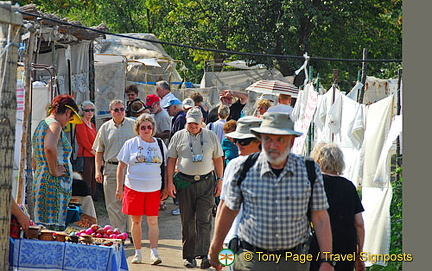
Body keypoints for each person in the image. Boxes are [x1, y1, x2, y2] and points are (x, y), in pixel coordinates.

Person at [209, 112, 334, 271]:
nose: (273, 145)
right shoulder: (244, 168)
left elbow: (320, 216)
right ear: (261, 139)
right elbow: (229, 209)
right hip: (251, 259)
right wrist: (216, 245)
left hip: (293, 261)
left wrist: (327, 260)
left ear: (292, 140)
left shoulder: (308, 169)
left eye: (280, 139)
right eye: (268, 138)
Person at [166, 108, 224, 269]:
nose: (193, 126)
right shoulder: (179, 136)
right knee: (188, 220)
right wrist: (169, 183)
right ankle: (189, 256)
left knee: (204, 219)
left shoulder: (210, 136)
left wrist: (220, 180)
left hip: (206, 183)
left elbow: (218, 159)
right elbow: (171, 160)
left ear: (201, 122)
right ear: (186, 122)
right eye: (190, 123)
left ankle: (204, 255)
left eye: (196, 123)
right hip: (185, 183)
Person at [116, 113, 167, 265]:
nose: (146, 130)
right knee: (136, 221)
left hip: (154, 188)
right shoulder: (130, 143)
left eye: (149, 127)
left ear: (153, 129)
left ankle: (154, 252)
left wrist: (166, 187)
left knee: (153, 221)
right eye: (143, 127)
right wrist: (119, 187)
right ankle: (138, 253)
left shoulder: (159, 144)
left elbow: (166, 166)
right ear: (137, 129)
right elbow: (121, 166)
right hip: (133, 187)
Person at [309, 143, 365, 271]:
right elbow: (359, 224)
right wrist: (359, 254)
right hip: (346, 245)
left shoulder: (313, 184)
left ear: (317, 160)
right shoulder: (349, 186)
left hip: (319, 244)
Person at [31, 94, 82, 230]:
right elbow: (49, 146)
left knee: (41, 226)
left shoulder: (42, 124)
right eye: (69, 118)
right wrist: (53, 170)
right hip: (53, 183)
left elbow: (34, 156)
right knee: (50, 228)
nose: (67, 122)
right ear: (67, 112)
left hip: (42, 178)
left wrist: (39, 173)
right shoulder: (55, 125)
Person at [218, 116, 262, 271]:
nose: (237, 144)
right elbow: (223, 204)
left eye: (243, 141)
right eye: (236, 140)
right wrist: (216, 243)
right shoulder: (233, 166)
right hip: (233, 241)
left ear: (259, 141)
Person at [92, 100, 135, 234]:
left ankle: (132, 231)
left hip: (131, 168)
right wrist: (97, 170)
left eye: (122, 109)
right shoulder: (105, 128)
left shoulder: (134, 125)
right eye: (116, 110)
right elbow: (98, 151)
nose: (119, 112)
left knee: (131, 201)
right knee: (113, 203)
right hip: (111, 167)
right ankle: (119, 233)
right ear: (110, 112)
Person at [75, 101, 98, 200]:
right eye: (87, 110)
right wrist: (96, 154)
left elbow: (96, 140)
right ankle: (85, 199)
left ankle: (91, 198)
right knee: (86, 179)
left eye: (92, 110)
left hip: (93, 155)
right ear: (82, 111)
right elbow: (85, 142)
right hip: (85, 155)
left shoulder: (92, 125)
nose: (90, 113)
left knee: (93, 179)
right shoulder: (80, 124)